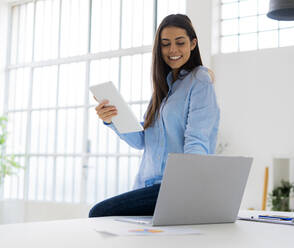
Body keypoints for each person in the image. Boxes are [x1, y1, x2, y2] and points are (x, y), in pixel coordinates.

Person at [89, 14, 220, 217]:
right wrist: (111, 119)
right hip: (145, 185)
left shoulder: (199, 79)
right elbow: (143, 141)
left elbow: (197, 141)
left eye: (180, 42)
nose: (172, 50)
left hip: (174, 186)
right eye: (165, 44)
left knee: (99, 212)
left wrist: (189, 187)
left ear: (193, 44)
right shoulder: (162, 91)